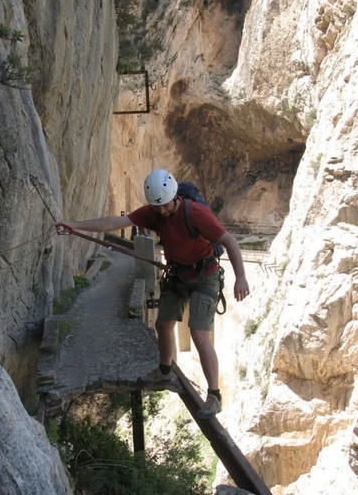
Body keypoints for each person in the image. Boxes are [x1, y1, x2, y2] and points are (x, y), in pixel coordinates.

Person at [57, 169, 250, 418]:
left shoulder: (196, 214)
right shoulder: (154, 212)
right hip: (178, 275)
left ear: (174, 197)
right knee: (164, 324)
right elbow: (113, 223)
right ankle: (164, 369)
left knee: (199, 333)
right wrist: (74, 226)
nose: (161, 212)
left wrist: (241, 277)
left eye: (165, 206)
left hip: (204, 278)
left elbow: (230, 242)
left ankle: (214, 396)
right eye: (157, 207)